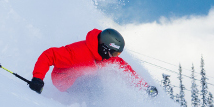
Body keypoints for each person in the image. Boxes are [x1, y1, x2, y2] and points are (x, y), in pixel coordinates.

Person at [28, 28, 157, 97]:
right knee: (97, 84)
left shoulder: (106, 56)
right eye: (114, 53)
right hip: (64, 81)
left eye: (118, 54)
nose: (115, 57)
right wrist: (37, 78)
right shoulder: (77, 53)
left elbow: (125, 68)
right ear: (105, 47)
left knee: (107, 79)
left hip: (82, 79)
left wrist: (144, 87)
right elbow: (48, 55)